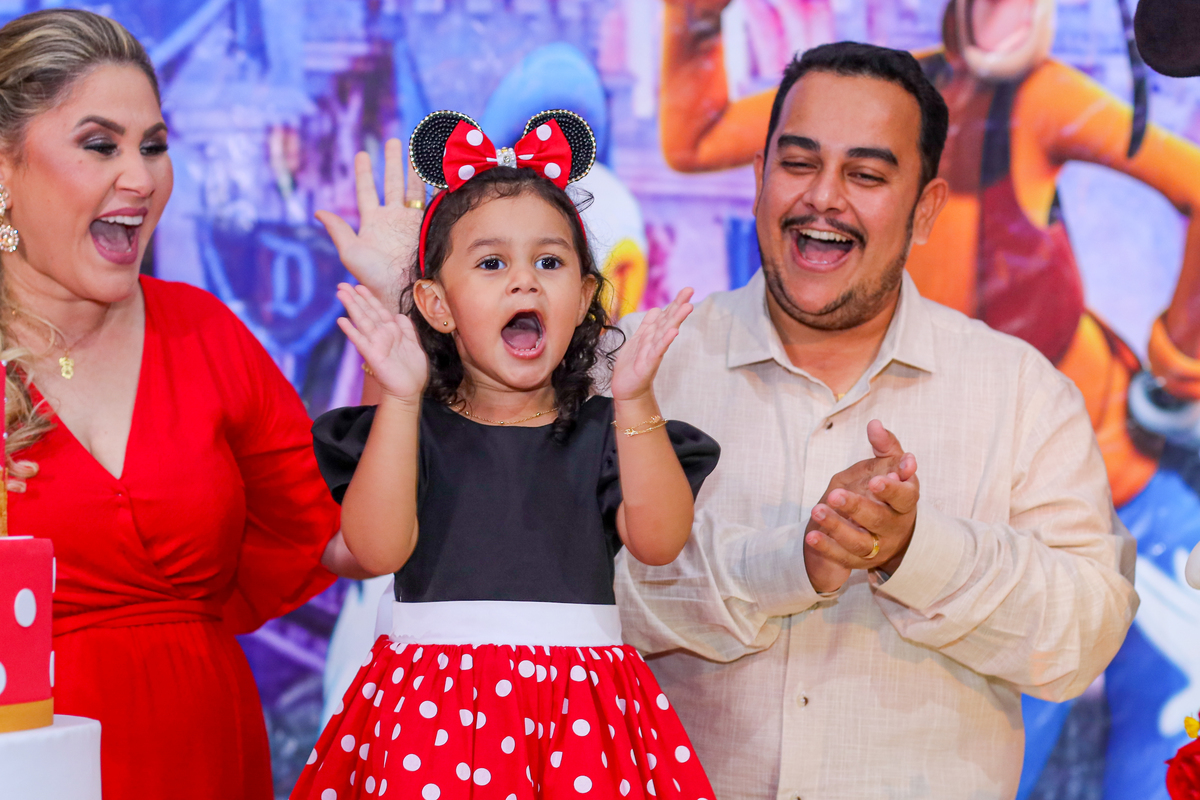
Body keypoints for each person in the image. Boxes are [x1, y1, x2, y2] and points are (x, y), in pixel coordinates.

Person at [614, 42, 1139, 800]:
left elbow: (1082, 639)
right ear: (758, 179)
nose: (823, 198)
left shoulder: (1022, 391)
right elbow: (570, 594)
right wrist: (788, 566)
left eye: (865, 175)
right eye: (799, 163)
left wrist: (914, 551)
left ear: (925, 210)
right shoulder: (634, 369)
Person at [0, 10, 378, 799]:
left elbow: (353, 538)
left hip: (207, 756)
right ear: (5, 167)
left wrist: (392, 325)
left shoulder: (204, 333)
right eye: (100, 145)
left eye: (153, 146)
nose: (141, 178)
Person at [291, 111, 720, 800]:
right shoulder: (410, 426)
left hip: (580, 728)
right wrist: (398, 398)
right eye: (492, 263)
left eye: (549, 262)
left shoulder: (610, 430)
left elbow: (661, 541)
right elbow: (374, 549)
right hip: (427, 725)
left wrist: (636, 398)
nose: (525, 282)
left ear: (585, 297)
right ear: (435, 304)